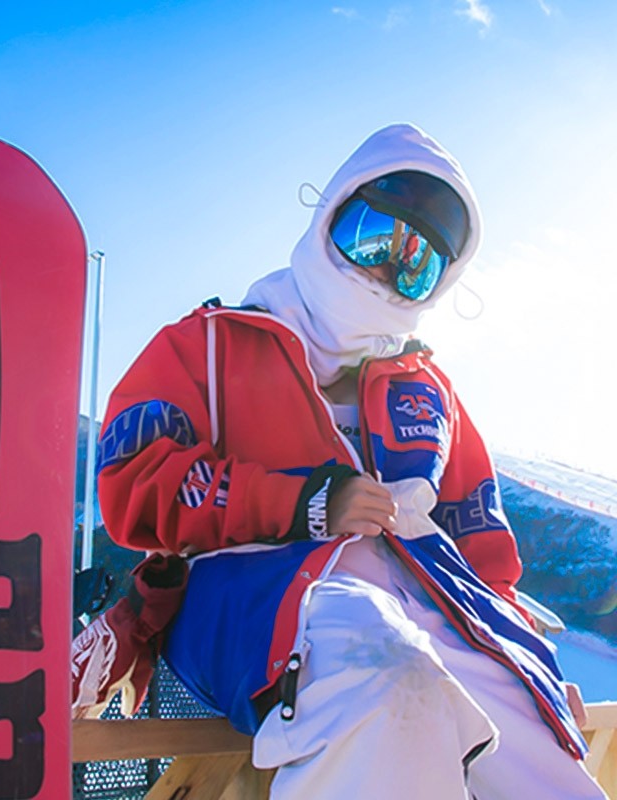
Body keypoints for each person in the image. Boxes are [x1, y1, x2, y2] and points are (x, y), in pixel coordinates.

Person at [74, 123, 606, 799]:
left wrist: (521, 658)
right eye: (373, 236)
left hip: (426, 604)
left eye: (417, 264)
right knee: (385, 676)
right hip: (251, 595)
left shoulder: (428, 391)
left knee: (547, 766)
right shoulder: (210, 346)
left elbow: (481, 547)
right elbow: (133, 482)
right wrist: (306, 501)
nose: (384, 272)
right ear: (330, 215)